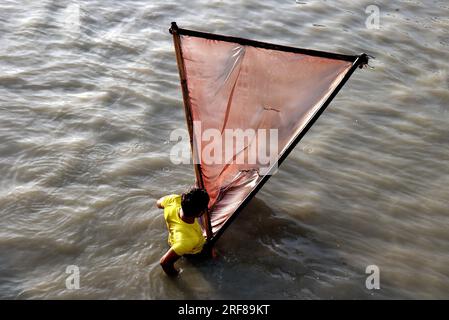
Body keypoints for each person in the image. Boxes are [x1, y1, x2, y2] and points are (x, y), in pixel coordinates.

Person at [157, 187, 209, 276]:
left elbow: (158, 203)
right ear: (200, 213)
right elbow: (164, 262)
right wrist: (176, 276)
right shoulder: (190, 239)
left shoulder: (173, 201)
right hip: (192, 252)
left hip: (173, 242)